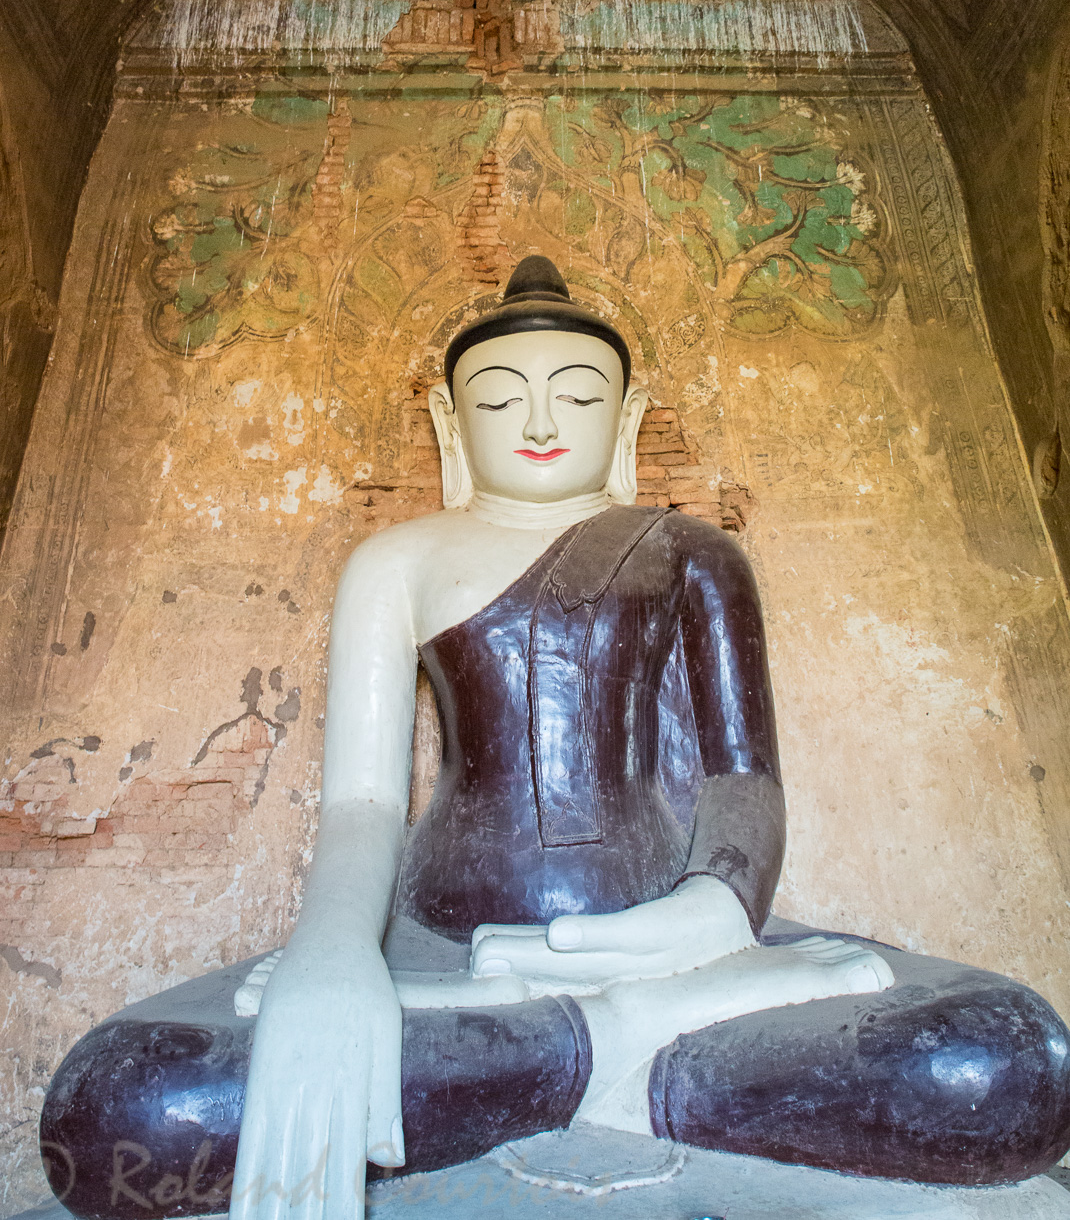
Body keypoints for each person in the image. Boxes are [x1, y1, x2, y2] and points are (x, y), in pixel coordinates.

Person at [41, 259, 1070, 1219]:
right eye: (498, 400)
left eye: (577, 397)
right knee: (124, 1109)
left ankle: (545, 1055)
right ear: (453, 420)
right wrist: (331, 961)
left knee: (998, 1062)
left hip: (672, 944)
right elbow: (363, 805)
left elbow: (740, 778)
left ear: (623, 418)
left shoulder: (689, 552)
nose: (538, 421)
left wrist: (708, 916)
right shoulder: (397, 561)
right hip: (447, 947)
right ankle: (624, 1046)